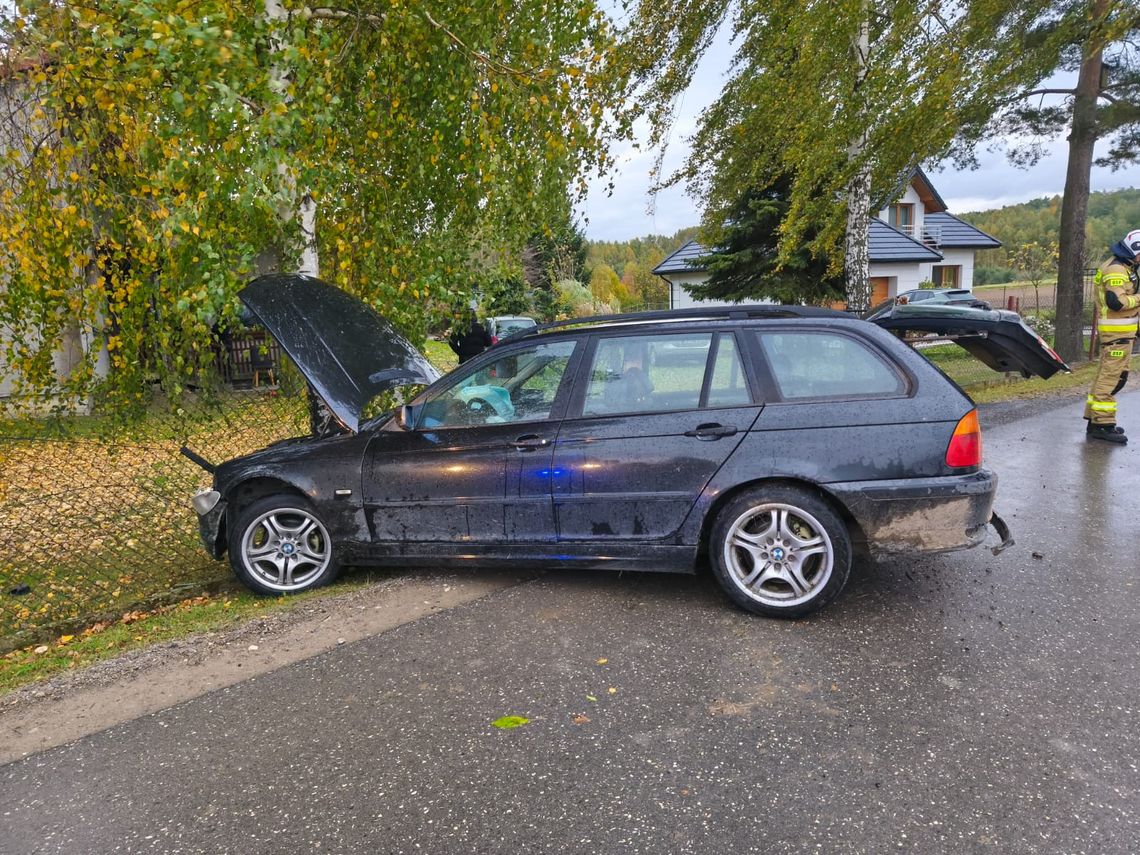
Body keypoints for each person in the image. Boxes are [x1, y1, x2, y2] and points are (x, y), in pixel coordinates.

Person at [1086, 229, 1140, 443]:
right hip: (1116, 334)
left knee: (1111, 377)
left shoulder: (1125, 266)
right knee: (1111, 378)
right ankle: (1103, 425)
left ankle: (1095, 421)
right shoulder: (1117, 270)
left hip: (1122, 333)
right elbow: (1116, 303)